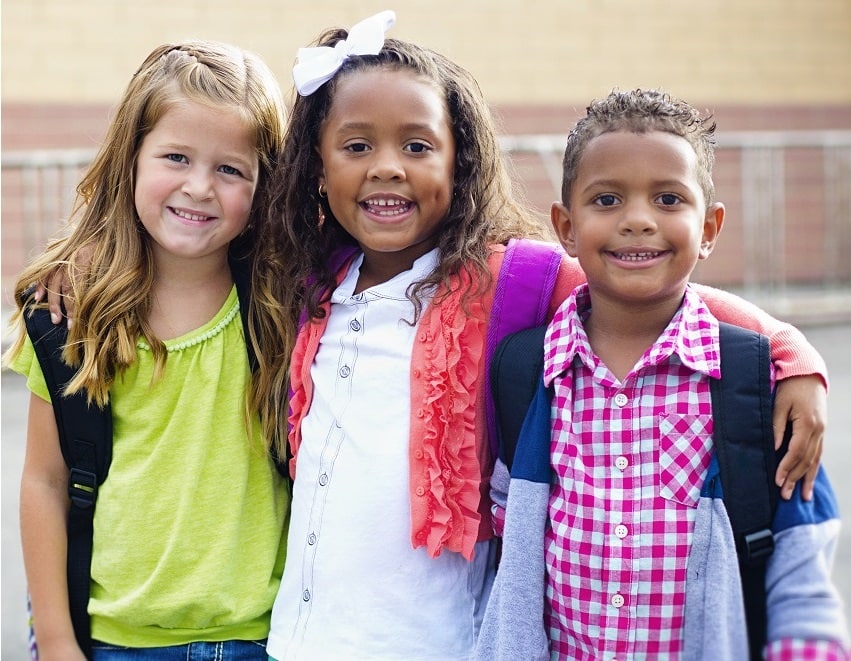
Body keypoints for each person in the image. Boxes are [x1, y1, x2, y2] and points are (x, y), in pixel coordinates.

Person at [256, 12, 831, 660]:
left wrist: (792, 355)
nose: (387, 168)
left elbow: (660, 293)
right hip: (300, 639)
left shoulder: (509, 278)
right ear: (316, 165)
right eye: (357, 146)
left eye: (416, 147)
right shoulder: (305, 285)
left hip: (438, 640)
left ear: (460, 159)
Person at [476, 89, 850, 660]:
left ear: (710, 228)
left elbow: (802, 573)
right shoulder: (528, 374)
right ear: (565, 227)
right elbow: (511, 542)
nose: (638, 221)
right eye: (606, 199)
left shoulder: (753, 380)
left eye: (669, 199)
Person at [4, 41, 290, 660]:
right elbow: (45, 481)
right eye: (176, 157)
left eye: (230, 169)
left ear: (266, 185)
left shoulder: (284, 304)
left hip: (267, 638)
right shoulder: (73, 315)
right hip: (116, 642)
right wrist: (55, 640)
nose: (199, 187)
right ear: (130, 160)